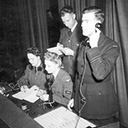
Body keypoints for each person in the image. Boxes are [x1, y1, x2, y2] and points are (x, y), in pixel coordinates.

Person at [68, 6, 120, 125]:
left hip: (100, 106)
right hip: (81, 102)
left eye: (87, 21)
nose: (82, 25)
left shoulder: (111, 45)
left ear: (98, 24)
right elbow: (78, 76)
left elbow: (100, 74)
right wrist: (74, 97)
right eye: (82, 21)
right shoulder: (83, 44)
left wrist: (94, 47)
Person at [57, 5, 84, 82]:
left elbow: (87, 54)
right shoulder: (63, 31)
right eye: (63, 21)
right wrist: (59, 49)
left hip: (79, 72)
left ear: (74, 16)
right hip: (66, 71)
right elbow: (62, 52)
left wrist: (72, 53)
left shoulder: (83, 30)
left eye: (68, 20)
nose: (66, 24)